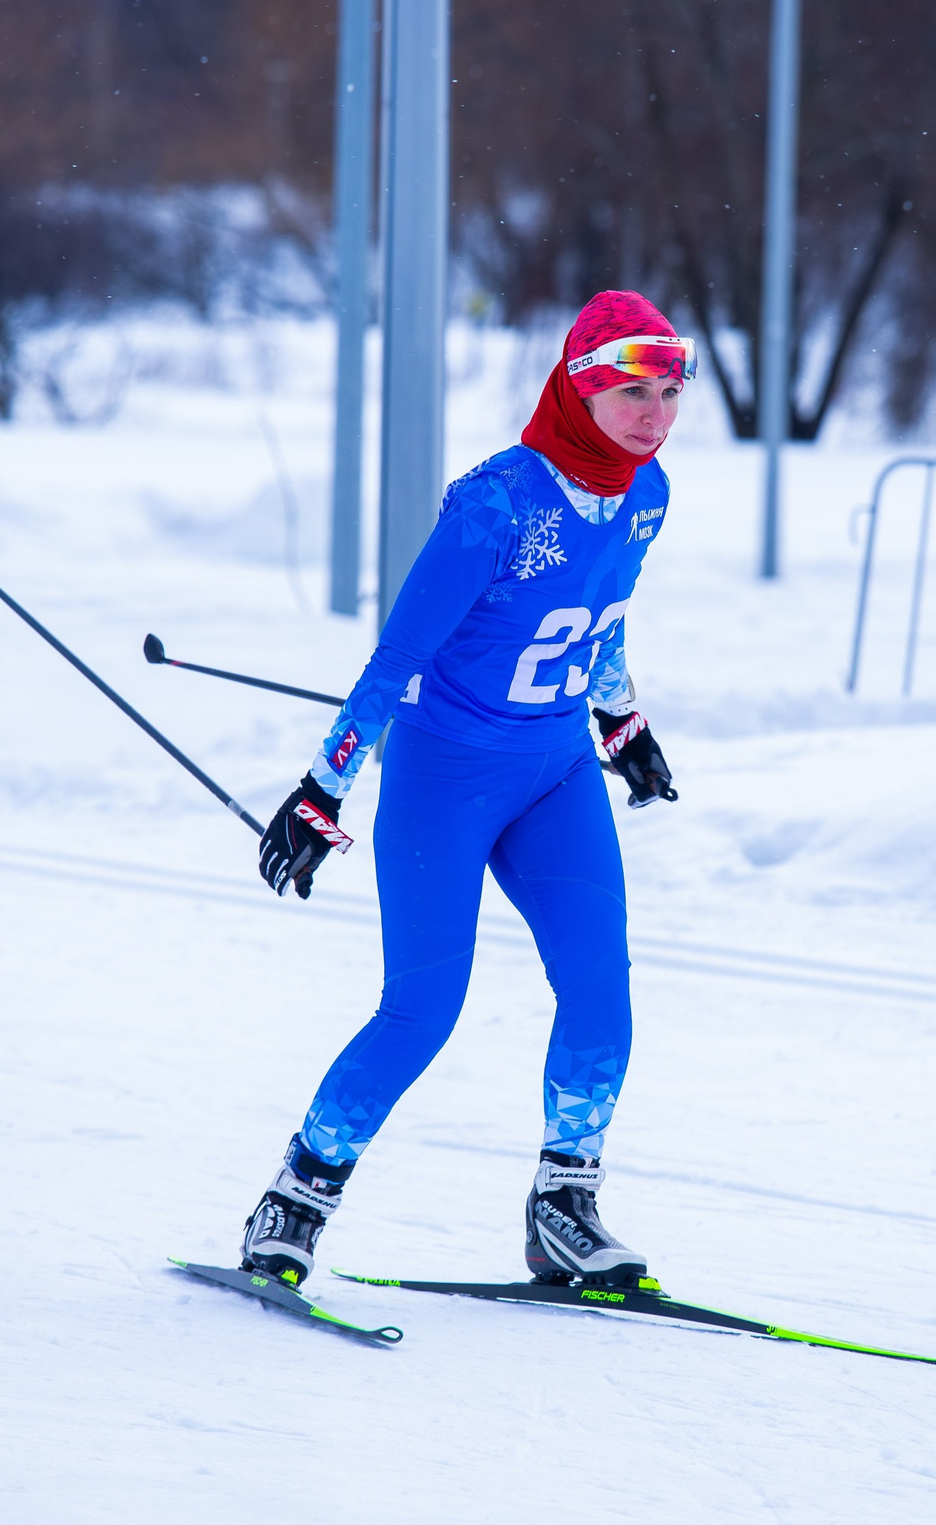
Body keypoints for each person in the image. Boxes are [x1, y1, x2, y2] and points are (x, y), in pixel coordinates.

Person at [240, 290, 687, 1292]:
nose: (653, 413)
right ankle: (295, 1199)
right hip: (444, 777)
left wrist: (618, 718)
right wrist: (323, 787)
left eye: (668, 392)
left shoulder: (647, 492)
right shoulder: (497, 500)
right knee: (423, 1007)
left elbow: (600, 617)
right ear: (579, 383)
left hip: (554, 769)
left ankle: (564, 1208)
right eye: (631, 390)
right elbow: (398, 656)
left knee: (600, 990)